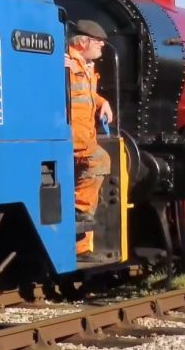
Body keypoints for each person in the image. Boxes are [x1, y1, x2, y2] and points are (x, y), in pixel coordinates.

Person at [64, 19, 114, 257]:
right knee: (100, 161)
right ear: (83, 42)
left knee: (90, 182)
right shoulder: (63, 62)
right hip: (74, 137)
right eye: (98, 42)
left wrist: (103, 103)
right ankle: (77, 212)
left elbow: (87, 96)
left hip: (85, 136)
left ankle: (81, 248)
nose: (102, 46)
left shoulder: (86, 65)